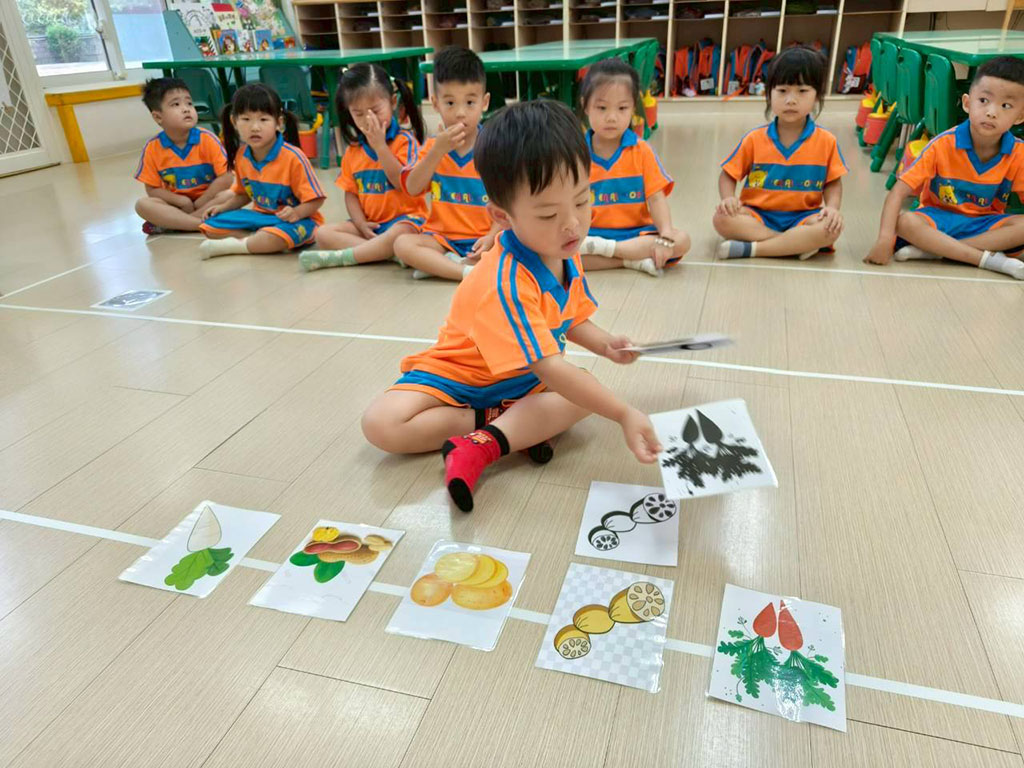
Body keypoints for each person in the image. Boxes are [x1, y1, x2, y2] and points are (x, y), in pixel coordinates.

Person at [361, 100, 661, 513]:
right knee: (380, 425)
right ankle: (510, 426)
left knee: (583, 391)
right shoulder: (505, 280)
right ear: (502, 216)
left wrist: (606, 344)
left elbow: (569, 316)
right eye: (548, 214)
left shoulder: (562, 247)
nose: (572, 224)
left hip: (524, 378)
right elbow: (550, 367)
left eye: (581, 200)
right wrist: (624, 414)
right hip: (459, 374)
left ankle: (498, 433)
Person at [863, 56, 1024, 280]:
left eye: (1006, 106)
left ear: (1020, 116)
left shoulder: (1018, 153)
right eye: (984, 100)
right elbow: (897, 193)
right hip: (938, 221)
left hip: (984, 224)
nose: (991, 112)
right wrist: (883, 239)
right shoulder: (942, 145)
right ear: (967, 103)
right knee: (906, 222)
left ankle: (935, 250)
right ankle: (989, 260)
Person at [713, 45, 847, 259]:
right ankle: (794, 244)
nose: (791, 100)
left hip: (804, 217)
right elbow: (728, 175)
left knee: (831, 227)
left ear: (817, 96)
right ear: (769, 94)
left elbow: (833, 183)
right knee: (722, 219)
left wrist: (832, 208)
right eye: (782, 91)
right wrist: (728, 199)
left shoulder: (826, 141)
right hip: (757, 215)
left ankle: (755, 249)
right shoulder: (754, 139)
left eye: (802, 91)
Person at [299, 63, 428, 271]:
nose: (368, 119)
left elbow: (402, 183)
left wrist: (380, 147)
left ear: (392, 102)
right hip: (371, 225)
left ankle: (348, 256)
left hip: (405, 221)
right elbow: (351, 194)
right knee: (322, 234)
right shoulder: (354, 150)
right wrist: (360, 223)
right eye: (358, 113)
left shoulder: (405, 142)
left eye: (376, 110)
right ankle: (386, 253)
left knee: (401, 234)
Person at [393, 46, 501, 281]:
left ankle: (443, 266)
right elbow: (412, 188)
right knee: (402, 244)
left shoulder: (494, 147)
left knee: (518, 243)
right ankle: (464, 271)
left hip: (484, 238)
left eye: (470, 102)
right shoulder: (433, 147)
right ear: (435, 103)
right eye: (450, 103)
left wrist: (492, 236)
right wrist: (437, 152)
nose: (460, 113)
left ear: (484, 102)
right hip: (441, 239)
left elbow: (509, 203)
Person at [577, 58, 690, 276]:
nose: (612, 117)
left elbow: (656, 199)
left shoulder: (642, 150)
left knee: (682, 241)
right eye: (602, 108)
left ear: (633, 108)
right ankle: (631, 261)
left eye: (622, 108)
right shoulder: (576, 153)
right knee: (561, 256)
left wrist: (666, 235)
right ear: (585, 106)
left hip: (636, 234)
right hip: (591, 234)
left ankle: (614, 252)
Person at [198, 84, 326, 258]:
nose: (255, 127)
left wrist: (296, 213)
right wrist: (223, 208)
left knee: (281, 234)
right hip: (260, 218)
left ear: (279, 123)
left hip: (298, 220)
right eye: (246, 119)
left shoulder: (293, 157)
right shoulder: (242, 155)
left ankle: (243, 245)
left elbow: (316, 200)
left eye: (263, 120)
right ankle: (258, 241)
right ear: (234, 122)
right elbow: (244, 194)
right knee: (210, 225)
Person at [134, 77, 232, 235]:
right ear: (158, 117)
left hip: (208, 201)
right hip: (176, 206)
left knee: (231, 195)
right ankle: (200, 224)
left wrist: (202, 200)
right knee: (142, 205)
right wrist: (181, 201)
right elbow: (152, 189)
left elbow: (227, 177)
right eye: (176, 104)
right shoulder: (152, 148)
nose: (186, 109)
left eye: (189, 103)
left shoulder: (208, 139)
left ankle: (177, 223)